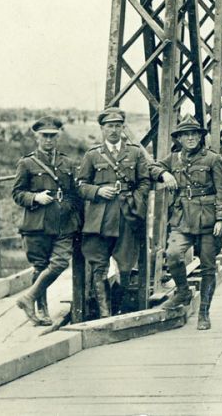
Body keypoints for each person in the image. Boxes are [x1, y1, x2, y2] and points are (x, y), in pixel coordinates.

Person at [76, 107, 154, 318]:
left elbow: (145, 181)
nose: (113, 130)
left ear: (122, 128)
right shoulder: (92, 155)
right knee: (98, 263)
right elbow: (81, 185)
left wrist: (136, 201)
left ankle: (118, 305)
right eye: (109, 126)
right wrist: (98, 190)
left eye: (118, 126)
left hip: (126, 216)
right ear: (102, 129)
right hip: (99, 218)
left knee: (127, 263)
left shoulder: (135, 153)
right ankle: (104, 312)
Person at [155, 117, 222, 330]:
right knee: (173, 254)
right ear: (178, 138)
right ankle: (183, 292)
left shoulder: (212, 159)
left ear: (200, 137)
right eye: (185, 134)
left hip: (207, 219)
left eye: (194, 134)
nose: (190, 138)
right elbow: (152, 166)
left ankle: (204, 312)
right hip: (182, 218)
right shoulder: (173, 159)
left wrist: (221, 219)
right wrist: (164, 173)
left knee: (208, 267)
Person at [11, 116, 81, 325]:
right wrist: (35, 198)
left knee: (59, 262)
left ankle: (28, 297)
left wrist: (67, 206)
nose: (49, 140)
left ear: (58, 136)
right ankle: (41, 310)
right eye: (44, 136)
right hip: (37, 224)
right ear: (37, 137)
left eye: (52, 136)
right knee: (40, 267)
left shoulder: (67, 162)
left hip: (63, 223)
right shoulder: (27, 163)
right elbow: (17, 193)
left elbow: (73, 193)